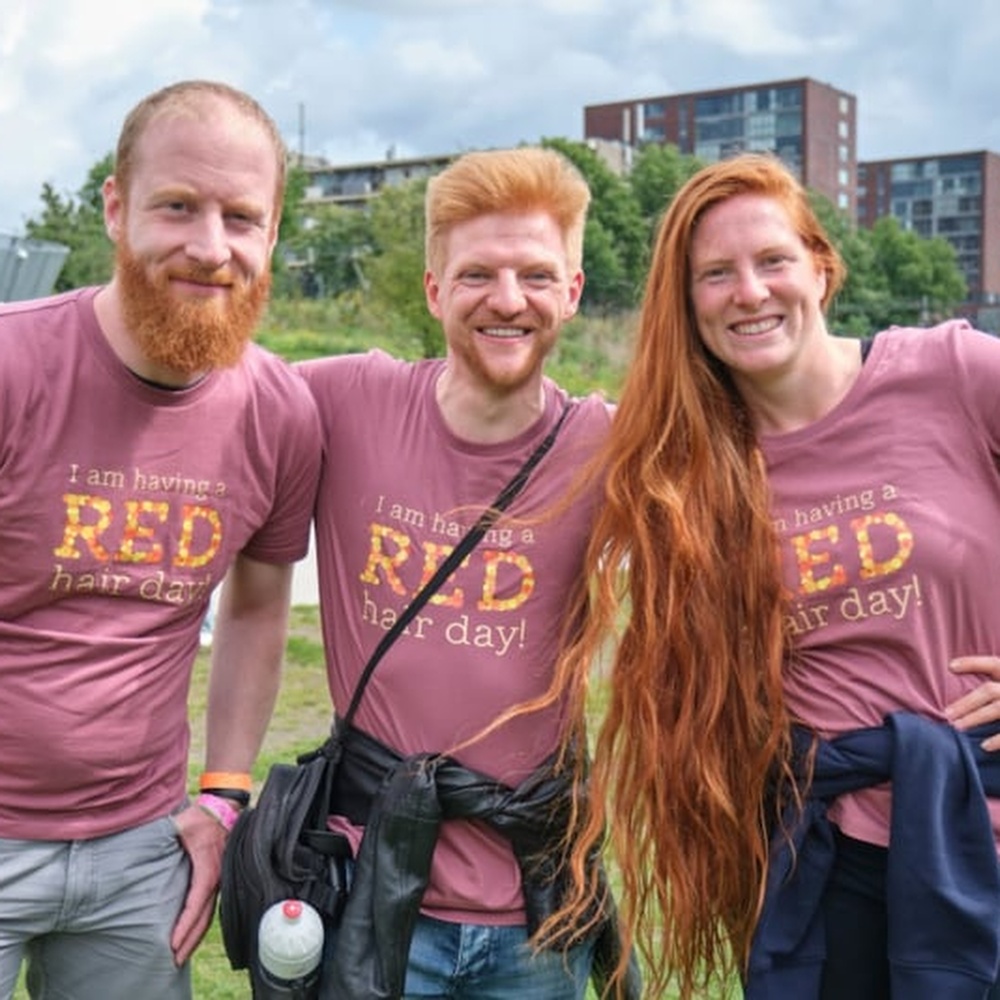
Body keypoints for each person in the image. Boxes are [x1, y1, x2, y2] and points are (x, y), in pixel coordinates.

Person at [541, 150, 1000, 1000]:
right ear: (688, 305)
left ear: (821, 268)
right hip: (827, 864)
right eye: (715, 274)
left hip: (989, 834)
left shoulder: (954, 374)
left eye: (773, 261)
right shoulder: (682, 468)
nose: (749, 292)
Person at [0, 80, 322, 1000]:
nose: (210, 247)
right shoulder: (13, 365)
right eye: (177, 206)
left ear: (272, 232)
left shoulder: (278, 412)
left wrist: (222, 793)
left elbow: (258, 608)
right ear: (115, 207)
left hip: (142, 852)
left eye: (241, 217)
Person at [297, 146, 638, 1000]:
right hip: (371, 895)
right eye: (478, 274)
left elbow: (774, 512)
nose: (508, 301)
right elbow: (185, 404)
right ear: (433, 290)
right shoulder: (344, 401)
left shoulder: (614, 444)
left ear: (573, 291)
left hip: (535, 912)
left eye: (535, 275)